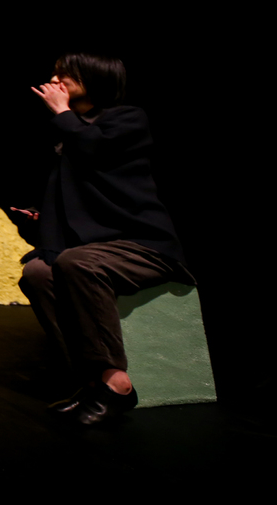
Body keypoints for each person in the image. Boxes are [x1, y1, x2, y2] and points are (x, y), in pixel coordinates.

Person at [19, 53, 190, 425]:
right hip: (94, 247)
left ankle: (117, 383)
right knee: (37, 273)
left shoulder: (128, 119)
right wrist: (40, 216)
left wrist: (63, 113)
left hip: (143, 244)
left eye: (66, 74)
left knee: (78, 262)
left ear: (94, 78)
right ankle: (91, 380)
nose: (55, 79)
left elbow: (96, 150)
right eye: (54, 73)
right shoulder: (70, 129)